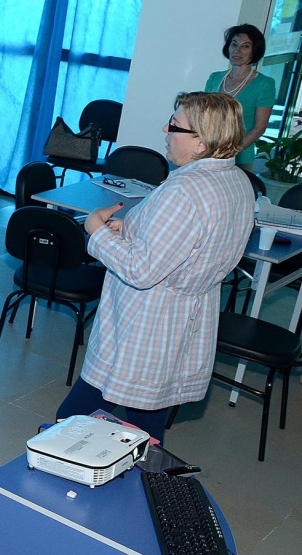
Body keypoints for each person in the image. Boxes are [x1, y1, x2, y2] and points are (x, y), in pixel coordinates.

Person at [55, 92, 255, 442]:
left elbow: (141, 270)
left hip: (145, 324)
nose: (165, 128)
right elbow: (189, 242)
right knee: (146, 423)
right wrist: (131, 228)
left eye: (175, 125)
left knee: (70, 423)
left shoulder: (185, 189)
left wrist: (96, 231)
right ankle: (143, 476)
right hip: (183, 320)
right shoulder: (236, 182)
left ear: (201, 142)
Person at [204, 24, 275, 171]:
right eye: (234, 44)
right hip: (207, 153)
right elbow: (203, 116)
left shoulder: (264, 84)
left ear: (254, 51)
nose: (237, 50)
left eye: (245, 46)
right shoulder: (215, 78)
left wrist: (229, 152)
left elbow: (259, 128)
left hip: (239, 157)